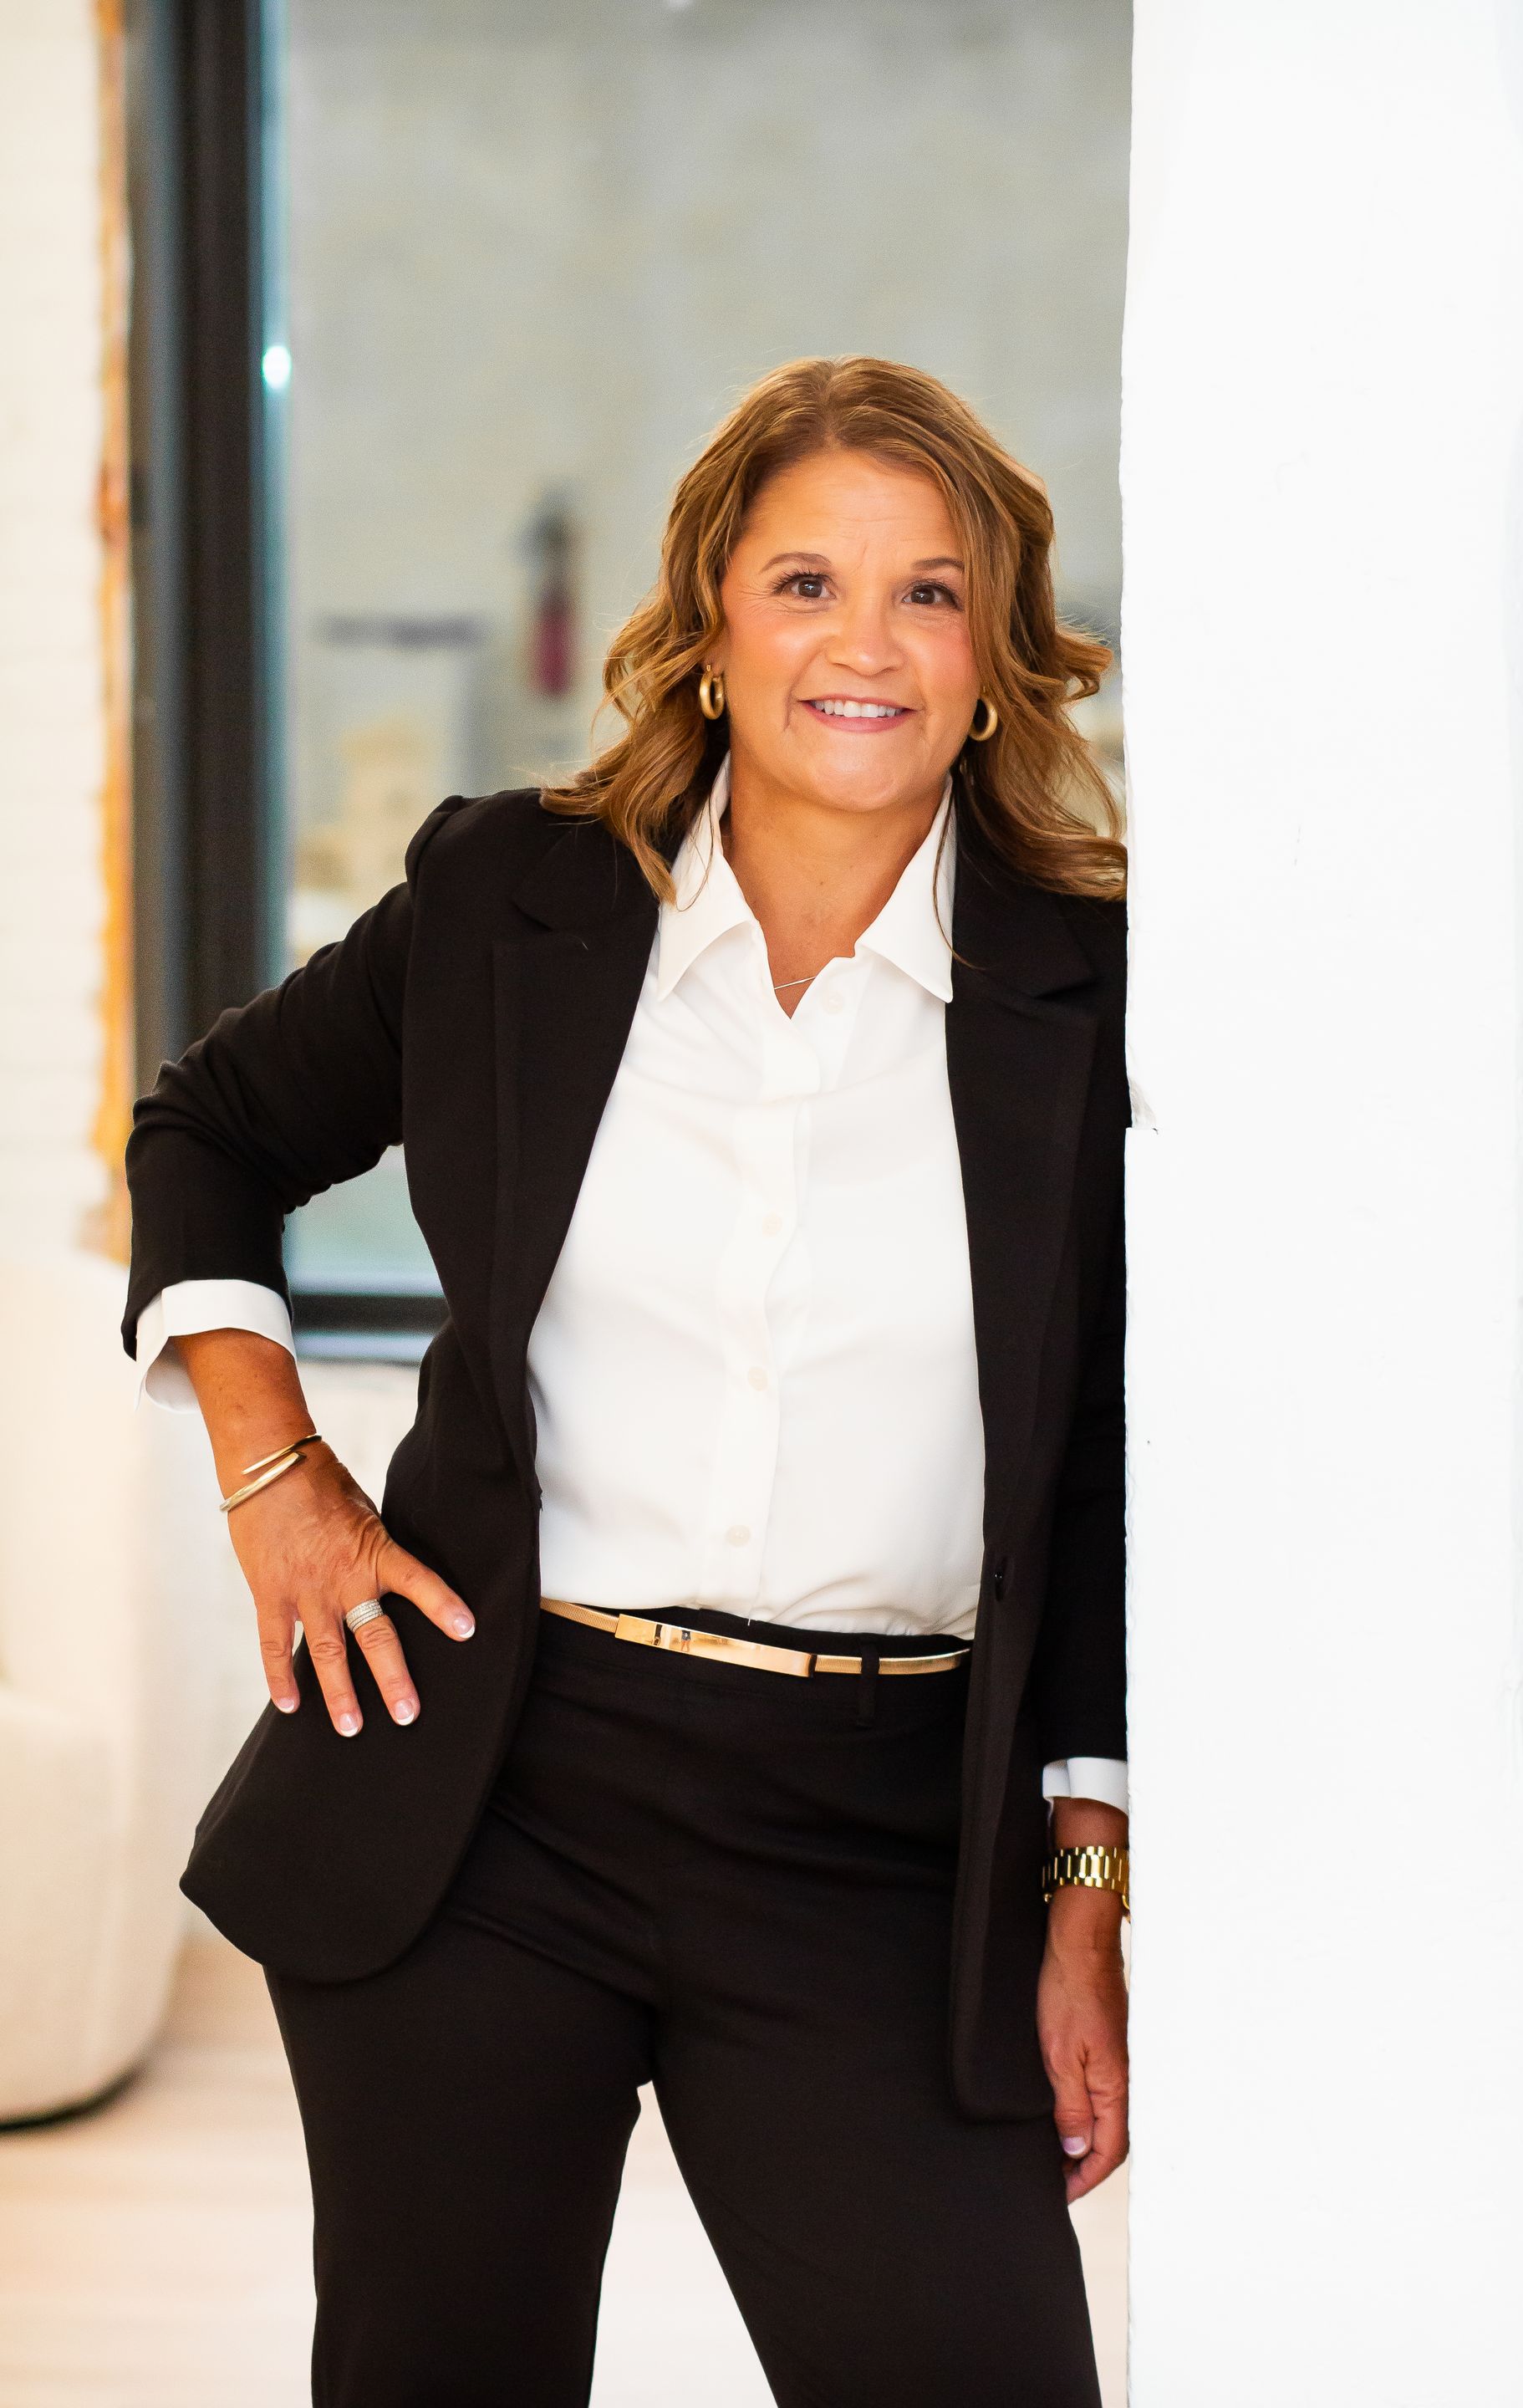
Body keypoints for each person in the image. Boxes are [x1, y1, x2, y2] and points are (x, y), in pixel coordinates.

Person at [123, 355, 1130, 2408]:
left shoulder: (1099, 996)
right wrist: (276, 1475)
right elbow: (208, 1129)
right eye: (805, 585)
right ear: (707, 629)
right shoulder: (517, 901)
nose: (867, 644)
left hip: (882, 1830)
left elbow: (1104, 1468)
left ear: (1000, 656)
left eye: (933, 594)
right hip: (489, 1782)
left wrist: (1086, 1887)